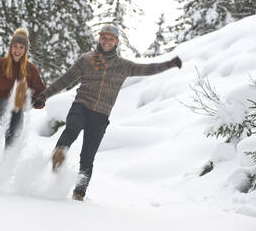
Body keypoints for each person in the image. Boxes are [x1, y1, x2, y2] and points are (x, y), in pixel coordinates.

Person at [33, 25, 182, 201]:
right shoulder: (86, 59)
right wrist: (44, 95)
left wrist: (169, 64)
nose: (106, 41)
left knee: (88, 156)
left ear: (117, 42)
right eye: (104, 37)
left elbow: (146, 69)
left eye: (111, 38)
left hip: (101, 115)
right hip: (81, 105)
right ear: (99, 38)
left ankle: (79, 194)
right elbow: (66, 79)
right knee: (72, 128)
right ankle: (60, 152)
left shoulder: (123, 66)